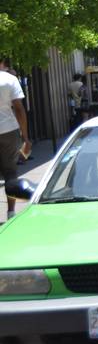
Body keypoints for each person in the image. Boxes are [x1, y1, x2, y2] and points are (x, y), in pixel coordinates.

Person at [0, 58, 32, 222]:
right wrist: (25, 136)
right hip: (8, 130)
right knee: (10, 172)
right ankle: (11, 212)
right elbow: (18, 108)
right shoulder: (9, 79)